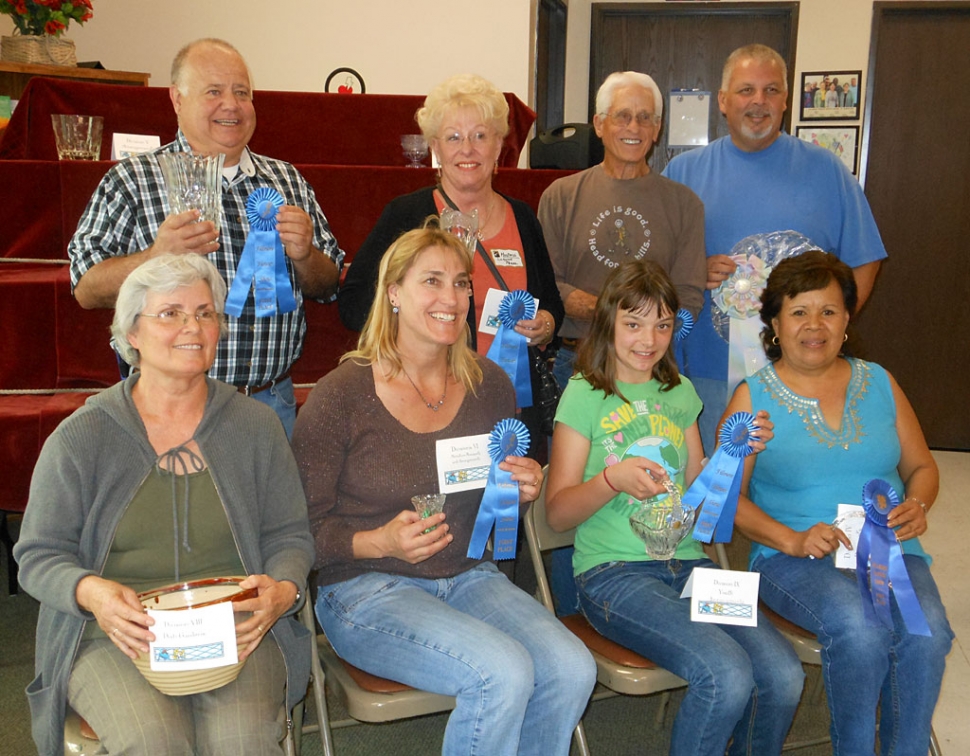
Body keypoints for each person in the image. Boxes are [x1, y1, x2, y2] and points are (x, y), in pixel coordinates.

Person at [293, 223, 596, 756]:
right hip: (365, 589)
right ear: (393, 293)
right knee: (500, 674)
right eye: (431, 281)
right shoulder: (339, 395)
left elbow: (496, 503)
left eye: (461, 283)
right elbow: (297, 533)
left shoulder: (490, 384)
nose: (451, 298)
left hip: (468, 576)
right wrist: (379, 542)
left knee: (572, 667)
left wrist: (520, 487)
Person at [14, 253, 314, 756]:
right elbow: (38, 555)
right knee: (155, 743)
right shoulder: (82, 437)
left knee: (241, 744)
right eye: (170, 313)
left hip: (237, 631)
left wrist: (283, 590)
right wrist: (92, 593)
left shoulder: (255, 427)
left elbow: (290, 536)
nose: (192, 327)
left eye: (204, 313)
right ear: (132, 333)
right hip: (114, 637)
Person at [545, 259, 803, 756]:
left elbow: (701, 503)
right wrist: (608, 480)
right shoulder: (584, 395)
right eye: (634, 323)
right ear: (609, 324)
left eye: (662, 324)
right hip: (613, 574)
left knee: (782, 674)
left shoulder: (678, 393)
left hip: (691, 564)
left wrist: (737, 451)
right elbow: (557, 514)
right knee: (725, 673)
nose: (649, 339)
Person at [725, 251, 953, 755]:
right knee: (861, 627)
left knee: (928, 633)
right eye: (799, 311)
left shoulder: (880, 383)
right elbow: (727, 502)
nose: (815, 325)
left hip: (887, 550)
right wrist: (793, 538)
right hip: (793, 557)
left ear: (848, 319)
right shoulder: (751, 398)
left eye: (828, 311)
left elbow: (923, 468)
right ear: (775, 324)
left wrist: (917, 503)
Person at [68, 38, 343, 437]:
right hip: (171, 408)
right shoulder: (131, 180)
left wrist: (304, 256)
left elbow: (328, 284)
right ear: (177, 99)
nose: (230, 105)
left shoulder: (288, 181)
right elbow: (85, 287)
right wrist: (155, 256)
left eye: (242, 92)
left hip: (270, 403)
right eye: (213, 91)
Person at [664, 44, 887, 454]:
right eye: (746, 90)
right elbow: (656, 265)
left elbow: (865, 259)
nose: (758, 102)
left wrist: (832, 328)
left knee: (791, 485)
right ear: (724, 101)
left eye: (771, 91)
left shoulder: (828, 171)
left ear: (785, 101)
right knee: (715, 491)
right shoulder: (681, 173)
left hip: (802, 370)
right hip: (706, 373)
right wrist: (693, 269)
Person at [338, 74, 563, 450]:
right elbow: (355, 303)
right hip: (429, 404)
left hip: (512, 410)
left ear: (498, 146)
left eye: (480, 135)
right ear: (436, 149)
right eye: (454, 137)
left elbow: (551, 302)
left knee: (509, 507)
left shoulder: (523, 218)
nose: (467, 149)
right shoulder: (406, 214)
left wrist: (547, 324)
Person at [538, 71, 706, 390]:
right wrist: (625, 316)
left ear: (657, 129)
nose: (634, 128)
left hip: (651, 369)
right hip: (575, 366)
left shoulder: (685, 205)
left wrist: (628, 326)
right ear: (599, 124)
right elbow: (550, 286)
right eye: (623, 116)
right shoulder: (559, 196)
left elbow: (688, 295)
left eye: (645, 118)